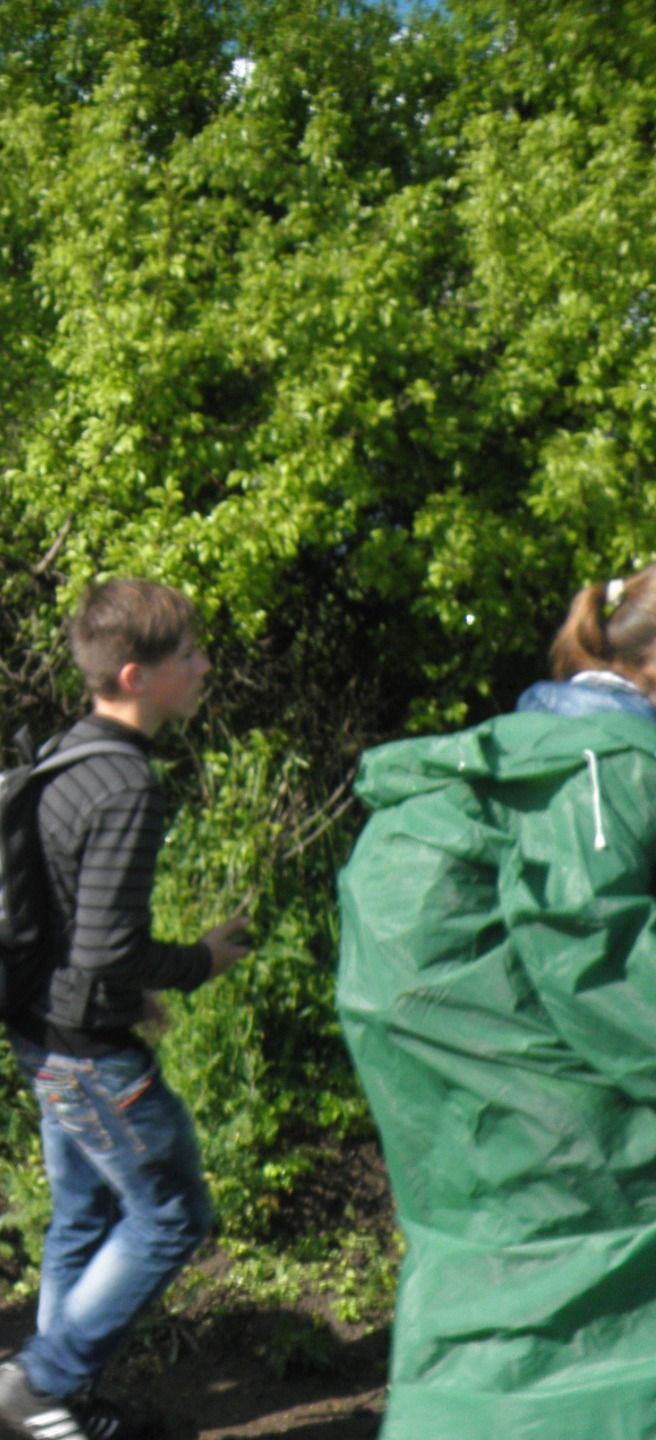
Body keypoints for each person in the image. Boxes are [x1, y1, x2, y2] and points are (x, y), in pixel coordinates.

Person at [336, 567, 656, 1438]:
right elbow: (598, 958)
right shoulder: (606, 767)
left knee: (494, 1286)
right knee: (590, 1282)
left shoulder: (521, 751)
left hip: (453, 1087)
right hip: (529, 1080)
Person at [0, 579, 250, 1440]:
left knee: (86, 1214)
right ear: (136, 675)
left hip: (45, 1032)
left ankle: (59, 1407)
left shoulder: (68, 752)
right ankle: (43, 1382)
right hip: (89, 1052)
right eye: (189, 657)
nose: (204, 666)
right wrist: (199, 962)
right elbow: (106, 951)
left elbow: (71, 931)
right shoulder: (127, 784)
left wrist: (127, 992)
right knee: (172, 1217)